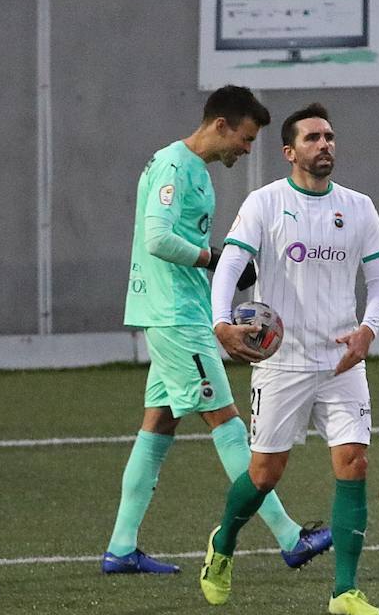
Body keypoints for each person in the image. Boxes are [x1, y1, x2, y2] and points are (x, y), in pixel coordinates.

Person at [104, 86, 332, 575]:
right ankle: (290, 538)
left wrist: (224, 263)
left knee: (159, 424)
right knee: (226, 422)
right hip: (175, 314)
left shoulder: (197, 173)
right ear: (221, 125)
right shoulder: (174, 166)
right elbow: (157, 237)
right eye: (246, 139)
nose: (247, 149)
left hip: (174, 309)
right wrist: (212, 260)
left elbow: (179, 237)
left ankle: (121, 548)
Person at [202, 102, 379, 615]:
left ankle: (345, 591)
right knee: (265, 473)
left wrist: (368, 331)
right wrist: (222, 322)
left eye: (329, 136)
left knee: (353, 464)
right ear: (289, 151)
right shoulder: (264, 204)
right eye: (312, 138)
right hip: (281, 362)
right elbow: (230, 265)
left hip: (341, 361)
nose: (324, 144)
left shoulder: (359, 207)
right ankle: (223, 545)